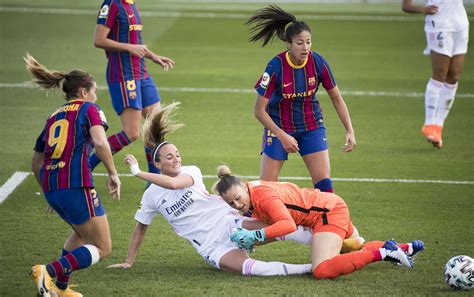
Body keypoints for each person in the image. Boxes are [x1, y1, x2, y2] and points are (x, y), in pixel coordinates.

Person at [108, 102, 361, 275]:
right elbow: (141, 227)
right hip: (209, 245)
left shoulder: (191, 173)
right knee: (252, 269)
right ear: (158, 163)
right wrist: (129, 261)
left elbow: (175, 184)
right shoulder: (152, 195)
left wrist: (137, 172)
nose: (177, 160)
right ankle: (308, 268)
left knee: (279, 226)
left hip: (229, 222)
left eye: (177, 154)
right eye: (170, 158)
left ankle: (332, 241)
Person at [213, 167, 425, 280]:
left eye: (238, 197)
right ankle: (406, 248)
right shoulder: (251, 192)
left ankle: (384, 253)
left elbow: (286, 225)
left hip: (327, 213)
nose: (237, 204)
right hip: (327, 205)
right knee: (352, 249)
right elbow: (273, 225)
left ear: (243, 186)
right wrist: (254, 239)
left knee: (321, 270)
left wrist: (256, 237)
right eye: (231, 202)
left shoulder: (263, 197)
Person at [26, 54, 121, 297]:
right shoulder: (89, 109)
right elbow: (100, 142)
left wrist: (48, 193)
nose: (96, 96)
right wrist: (113, 173)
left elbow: (36, 162)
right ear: (83, 91)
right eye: (94, 90)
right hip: (76, 184)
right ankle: (47, 271)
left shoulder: (53, 116)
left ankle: (60, 288)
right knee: (102, 246)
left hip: (52, 187)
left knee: (81, 233)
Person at [247, 5, 356, 192]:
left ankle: (326, 221)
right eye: (299, 43)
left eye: (308, 42)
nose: (305, 47)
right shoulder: (275, 66)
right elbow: (258, 111)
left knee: (325, 189)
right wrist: (282, 136)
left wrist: (350, 130)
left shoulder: (318, 62)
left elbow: (337, 98)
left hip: (311, 127)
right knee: (265, 192)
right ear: (288, 44)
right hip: (279, 127)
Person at [92, 0, 175, 172]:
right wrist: (128, 48)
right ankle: (86, 165)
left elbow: (136, 41)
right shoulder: (112, 4)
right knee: (132, 132)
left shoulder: (131, 4)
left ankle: (154, 181)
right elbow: (99, 40)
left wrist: (153, 56)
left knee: (155, 126)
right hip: (124, 74)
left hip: (141, 72)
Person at [402, 0, 469, 149]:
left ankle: (438, 127)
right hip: (439, 26)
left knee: (453, 77)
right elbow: (406, 6)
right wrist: (422, 9)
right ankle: (429, 124)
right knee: (440, 75)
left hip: (460, 25)